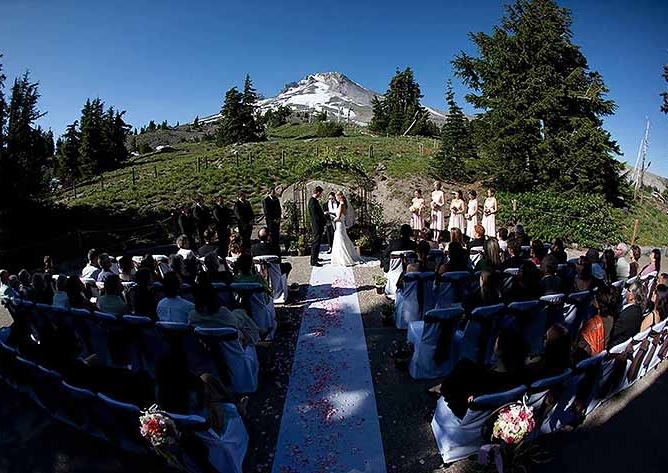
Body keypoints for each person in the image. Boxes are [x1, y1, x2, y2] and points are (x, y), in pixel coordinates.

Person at [437, 328, 528, 419]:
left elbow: (453, 392)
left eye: (496, 342)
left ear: (500, 351)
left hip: (467, 412)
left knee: (459, 373)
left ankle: (437, 388)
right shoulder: (518, 377)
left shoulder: (481, 374)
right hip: (491, 413)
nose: (494, 345)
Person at [574, 284, 618, 361]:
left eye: (595, 297)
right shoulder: (614, 318)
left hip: (588, 359)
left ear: (598, 304)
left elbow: (580, 346)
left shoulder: (592, 324)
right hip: (602, 356)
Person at [608, 280, 647, 347]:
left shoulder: (627, 315)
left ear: (632, 296)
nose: (626, 291)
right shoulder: (638, 310)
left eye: (628, 290)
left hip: (614, 345)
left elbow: (611, 334)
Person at [330, 191, 361, 267]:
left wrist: (330, 219)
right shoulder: (343, 204)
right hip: (341, 225)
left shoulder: (341, 204)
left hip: (339, 225)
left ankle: (343, 258)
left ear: (340, 197)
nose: (335, 198)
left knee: (340, 240)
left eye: (336, 197)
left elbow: (338, 217)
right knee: (343, 239)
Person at [308, 186, 327, 267]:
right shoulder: (312, 201)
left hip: (318, 225)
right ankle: (313, 261)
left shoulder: (314, 201)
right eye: (321, 193)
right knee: (315, 242)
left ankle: (316, 257)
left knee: (318, 242)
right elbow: (315, 216)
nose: (321, 195)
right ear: (318, 192)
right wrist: (322, 221)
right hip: (317, 225)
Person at [262, 186, 282, 255]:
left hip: (277, 221)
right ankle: (272, 249)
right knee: (271, 235)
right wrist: (273, 220)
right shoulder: (266, 200)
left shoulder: (276, 199)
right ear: (269, 192)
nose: (274, 193)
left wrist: (278, 218)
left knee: (277, 235)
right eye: (272, 192)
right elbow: (267, 212)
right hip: (270, 221)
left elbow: (279, 209)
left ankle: (277, 250)